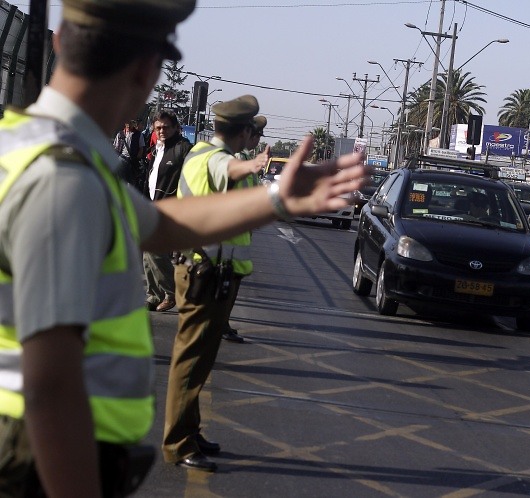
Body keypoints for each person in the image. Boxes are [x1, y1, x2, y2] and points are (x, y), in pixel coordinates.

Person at [0, 1, 367, 496]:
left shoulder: (31, 143)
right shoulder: (65, 180)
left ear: (61, 41)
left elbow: (159, 222)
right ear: (148, 71)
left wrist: (277, 198)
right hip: (42, 463)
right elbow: (52, 389)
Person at [162, 96, 271, 472]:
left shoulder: (228, 160)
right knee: (190, 362)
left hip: (218, 273)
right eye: (254, 131)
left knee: (202, 361)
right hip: (201, 273)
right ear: (242, 131)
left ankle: (190, 431)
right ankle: (177, 444)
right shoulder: (208, 157)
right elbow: (226, 168)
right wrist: (254, 165)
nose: (256, 137)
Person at [222, 114, 269, 343]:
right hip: (230, 236)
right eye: (256, 135)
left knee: (232, 284)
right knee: (226, 284)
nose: (257, 140)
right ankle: (220, 323)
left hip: (241, 237)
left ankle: (223, 321)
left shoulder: (246, 161)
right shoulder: (238, 162)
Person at [142, 110, 192, 312]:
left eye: (166, 127)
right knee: (147, 253)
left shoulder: (184, 149)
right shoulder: (157, 149)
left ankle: (172, 292)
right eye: (158, 127)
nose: (162, 131)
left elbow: (191, 179)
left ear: (176, 128)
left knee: (154, 250)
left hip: (171, 209)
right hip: (152, 206)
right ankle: (153, 295)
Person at [113, 119, 145, 190]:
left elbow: (141, 148)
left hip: (132, 161)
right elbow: (116, 148)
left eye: (130, 123)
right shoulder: (120, 134)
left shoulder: (139, 135)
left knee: (131, 182)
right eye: (127, 123)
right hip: (122, 159)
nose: (128, 125)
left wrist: (137, 159)